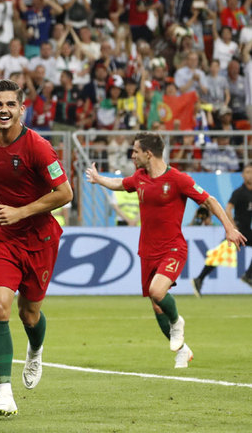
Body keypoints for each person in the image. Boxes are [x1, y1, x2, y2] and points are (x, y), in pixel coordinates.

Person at [85, 132, 246, 370]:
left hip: (173, 248)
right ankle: (182, 350)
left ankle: (177, 321)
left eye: (135, 151)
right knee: (156, 303)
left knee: (157, 291)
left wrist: (229, 228)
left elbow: (209, 200)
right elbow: (121, 183)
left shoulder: (178, 179)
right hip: (147, 251)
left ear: (148, 154)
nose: (132, 155)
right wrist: (99, 179)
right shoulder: (139, 177)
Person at [0, 79, 73, 417]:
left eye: (10, 105)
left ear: (21, 109)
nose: (4, 110)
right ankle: (4, 393)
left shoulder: (39, 148)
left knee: (29, 314)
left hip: (40, 239)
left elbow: (65, 193)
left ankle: (35, 348)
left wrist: (21, 211)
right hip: (3, 238)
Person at [192, 164, 252, 296]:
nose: (250, 175)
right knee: (220, 255)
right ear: (242, 175)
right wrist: (231, 226)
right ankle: (199, 278)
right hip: (238, 230)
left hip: (247, 231)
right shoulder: (239, 192)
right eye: (247, 172)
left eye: (251, 172)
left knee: (220, 255)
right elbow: (229, 208)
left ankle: (248, 275)